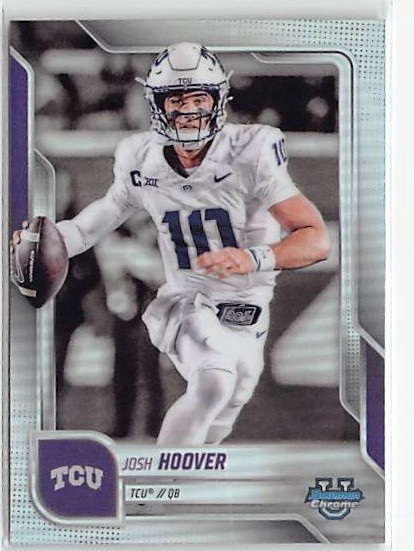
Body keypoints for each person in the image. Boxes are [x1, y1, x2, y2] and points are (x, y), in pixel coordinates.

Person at [14, 42, 329, 446]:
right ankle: (160, 476)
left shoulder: (251, 152)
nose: (188, 111)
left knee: (228, 403)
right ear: (157, 105)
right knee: (214, 381)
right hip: (186, 299)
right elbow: (93, 225)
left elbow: (315, 238)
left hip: (247, 306)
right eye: (176, 100)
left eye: (199, 99)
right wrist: (49, 240)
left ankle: (183, 470)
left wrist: (253, 258)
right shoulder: (141, 158)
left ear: (219, 101)